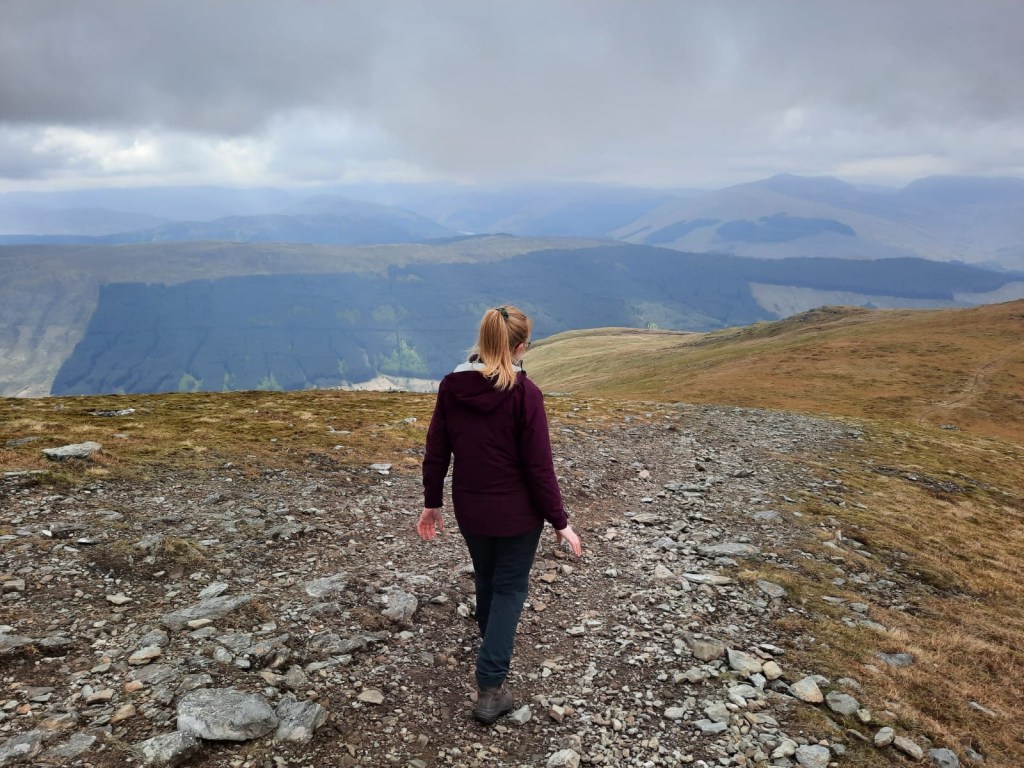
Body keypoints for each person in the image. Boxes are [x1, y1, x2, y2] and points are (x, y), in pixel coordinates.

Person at [417, 304, 583, 724]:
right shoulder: (526, 394)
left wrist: (432, 503)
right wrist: (560, 522)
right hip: (518, 514)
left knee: (487, 576)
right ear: (521, 347)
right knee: (509, 589)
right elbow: (539, 467)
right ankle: (491, 687)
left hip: (471, 508)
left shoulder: (451, 386)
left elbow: (437, 450)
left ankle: (492, 639)